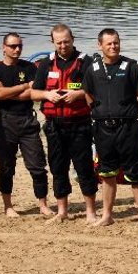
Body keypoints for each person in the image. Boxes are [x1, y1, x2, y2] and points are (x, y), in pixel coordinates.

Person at [30, 24, 98, 224]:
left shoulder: (86, 62)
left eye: (66, 41)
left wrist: (78, 94)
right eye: (58, 42)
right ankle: (62, 211)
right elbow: (33, 93)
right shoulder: (45, 64)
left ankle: (91, 212)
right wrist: (47, 94)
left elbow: (98, 91)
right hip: (54, 125)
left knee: (84, 168)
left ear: (73, 39)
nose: (63, 46)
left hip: (80, 124)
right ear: (53, 42)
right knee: (58, 168)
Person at [83, 28, 138, 226]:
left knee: (135, 173)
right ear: (100, 46)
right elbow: (88, 95)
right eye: (109, 43)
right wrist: (101, 111)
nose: (113, 46)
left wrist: (128, 114)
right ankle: (107, 216)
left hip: (128, 128)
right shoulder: (93, 69)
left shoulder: (131, 66)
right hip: (103, 129)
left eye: (116, 42)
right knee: (107, 172)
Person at [0, 32, 53, 218]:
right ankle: (8, 206)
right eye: (13, 46)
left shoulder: (30, 67)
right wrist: (23, 86)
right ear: (4, 48)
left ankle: (43, 204)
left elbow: (33, 93)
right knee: (6, 166)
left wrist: (8, 92)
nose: (17, 50)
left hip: (27, 120)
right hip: (6, 121)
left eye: (20, 46)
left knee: (38, 165)